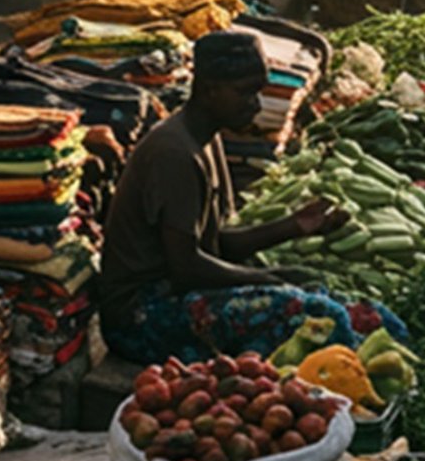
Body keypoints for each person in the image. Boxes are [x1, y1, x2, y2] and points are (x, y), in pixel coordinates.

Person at [100, 31, 384, 361]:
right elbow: (186, 266)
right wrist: (268, 280)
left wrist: (294, 226)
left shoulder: (207, 138)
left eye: (258, 91)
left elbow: (213, 245)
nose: (256, 104)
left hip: (177, 293)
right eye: (244, 92)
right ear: (209, 90)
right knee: (308, 309)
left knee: (338, 298)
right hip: (139, 316)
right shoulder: (174, 153)